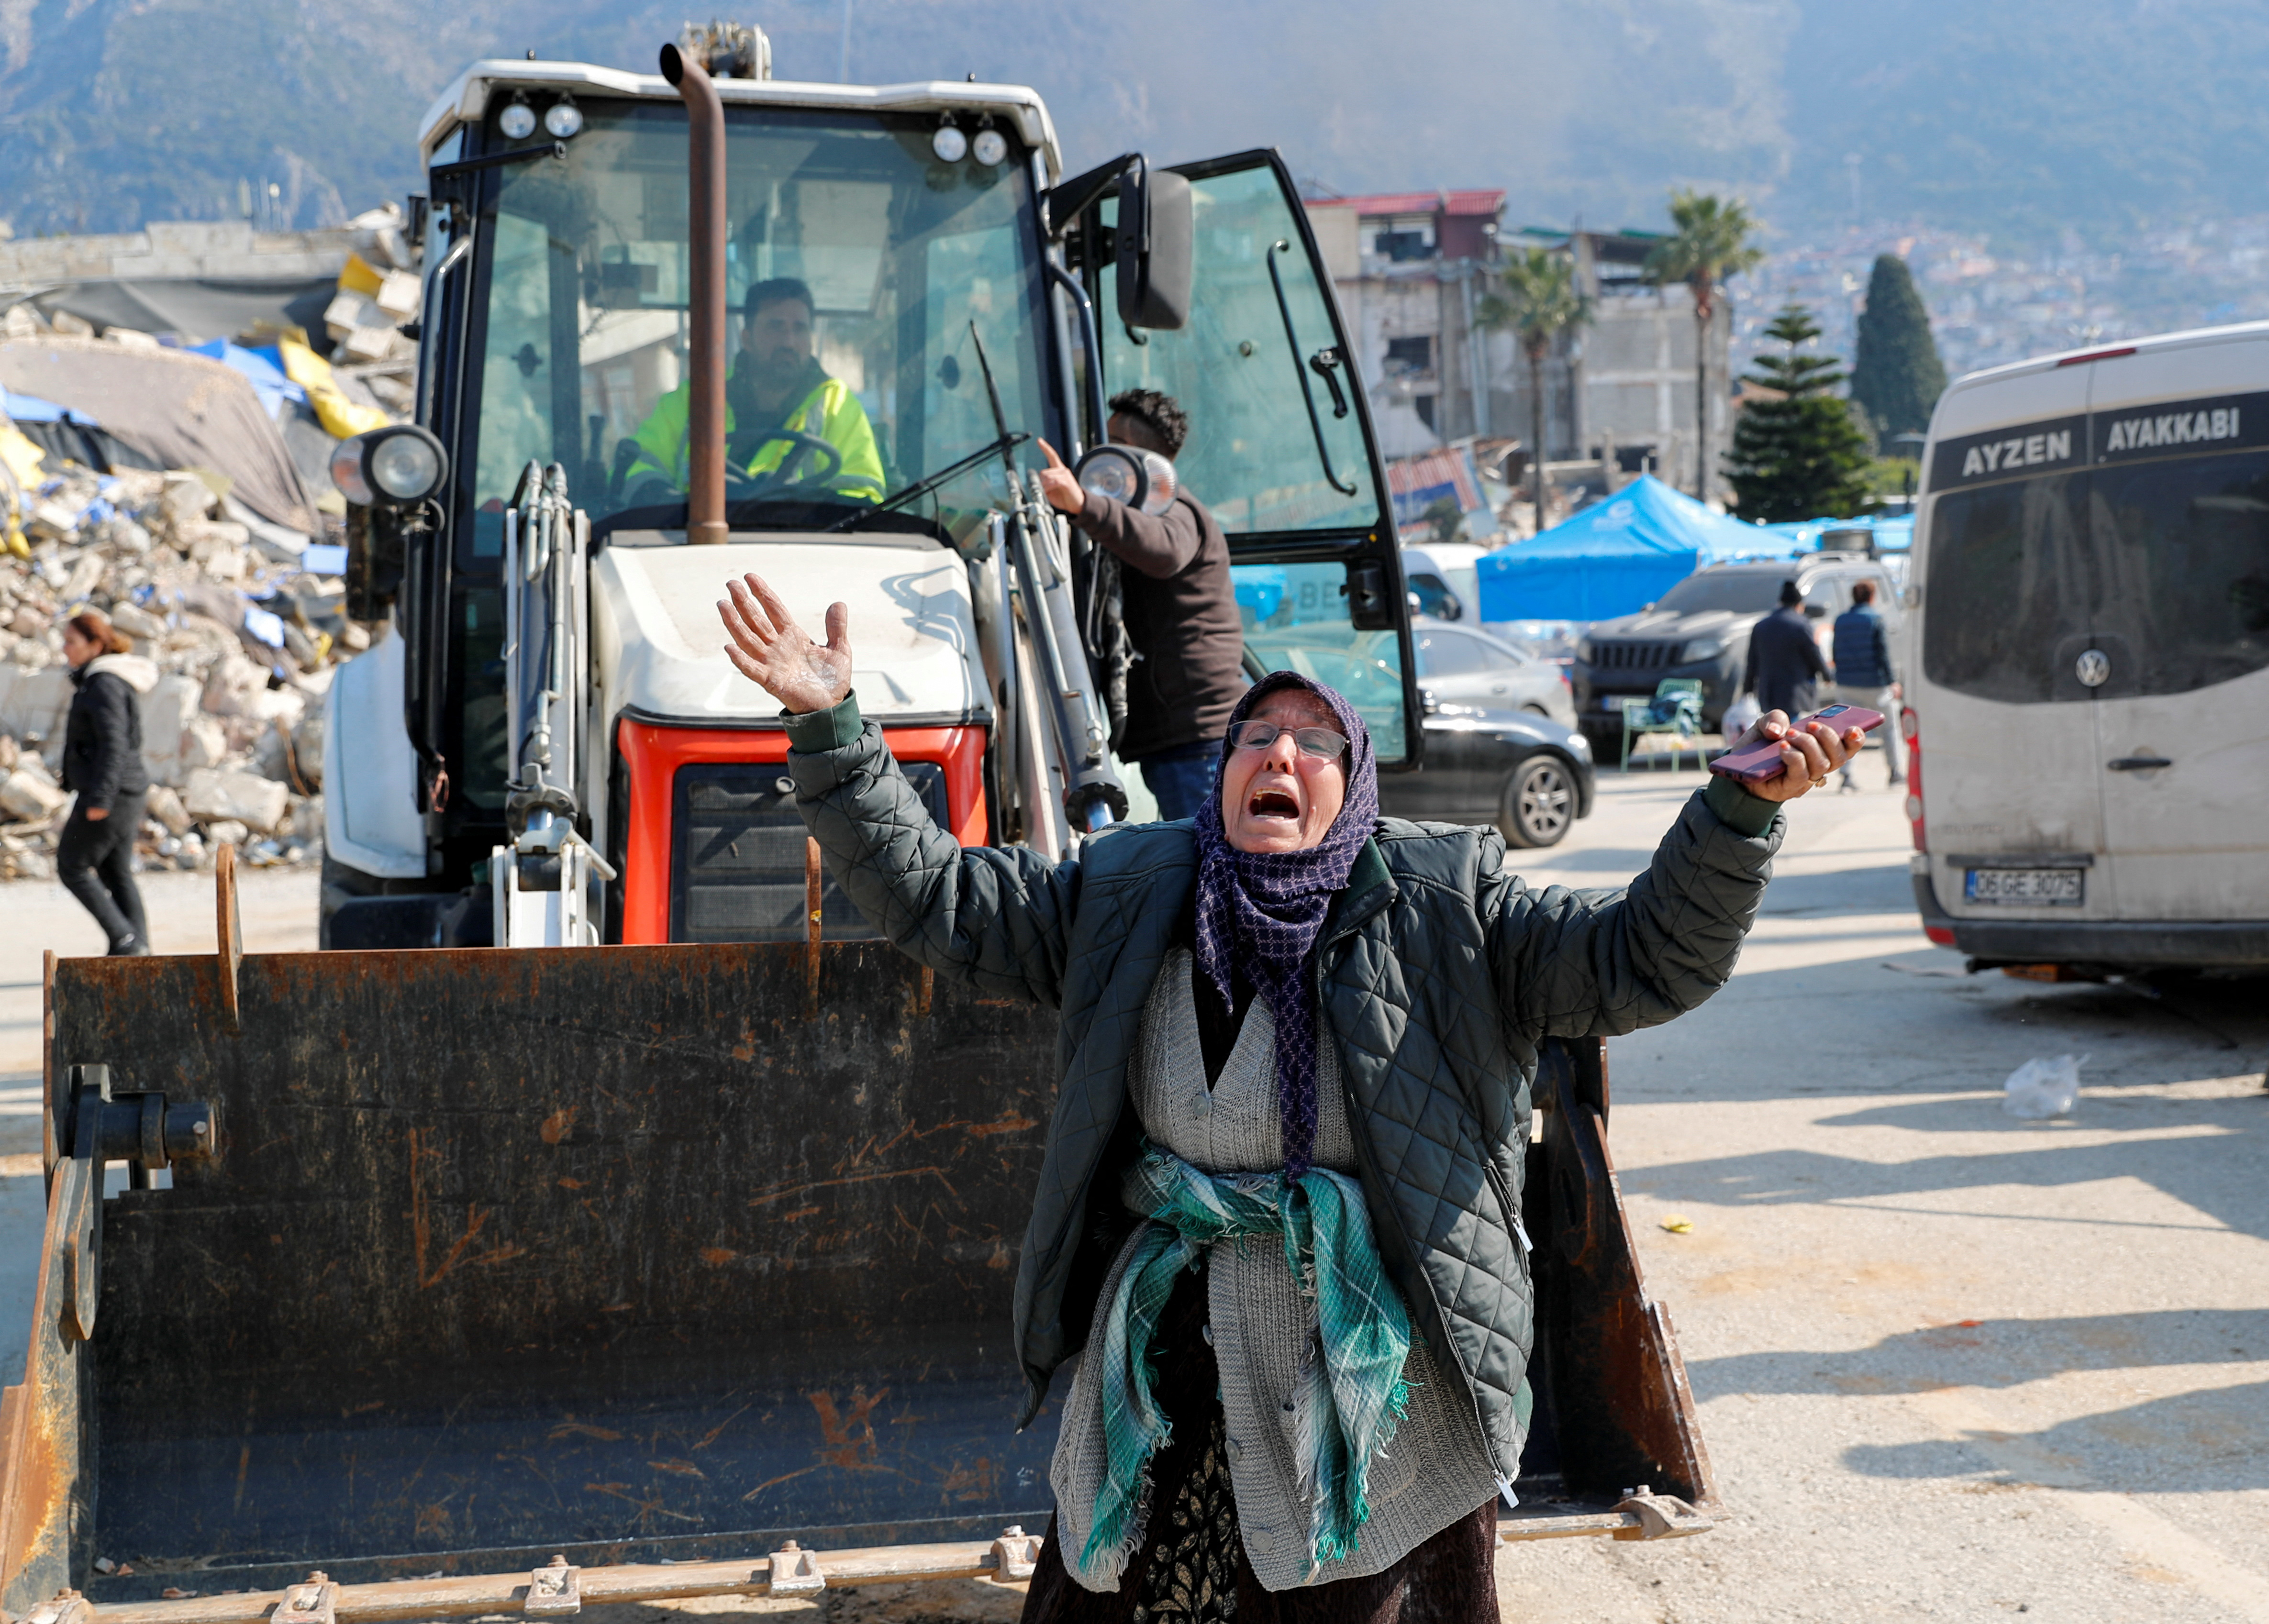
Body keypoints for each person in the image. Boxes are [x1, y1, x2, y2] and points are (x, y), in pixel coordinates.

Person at [715, 568, 1859, 1622]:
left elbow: (1639, 959)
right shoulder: (1131, 892)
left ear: (1352, 785)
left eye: (1315, 744)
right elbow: (941, 903)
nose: (1280, 755)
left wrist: (1732, 822)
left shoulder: (1446, 902)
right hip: (1166, 1358)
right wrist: (832, 730)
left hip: (1378, 1384)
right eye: (1255, 737)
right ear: (1220, 779)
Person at [1035, 390, 1245, 821]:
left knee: (1209, 866)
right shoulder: (1146, 515)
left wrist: (1083, 505)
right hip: (1180, 739)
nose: (1098, 453)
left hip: (1196, 739)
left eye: (1112, 441)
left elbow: (1164, 550)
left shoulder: (1179, 513)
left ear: (1140, 459)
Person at [628, 277, 886, 503]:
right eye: (776, 327)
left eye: (800, 329)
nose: (789, 342)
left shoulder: (836, 405)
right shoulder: (695, 399)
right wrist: (659, 496)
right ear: (747, 339)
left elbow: (863, 493)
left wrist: (807, 506)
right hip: (696, 546)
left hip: (806, 550)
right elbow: (638, 465)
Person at [57, 608, 158, 956]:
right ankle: (137, 951)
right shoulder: (102, 679)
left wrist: (100, 798)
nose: (65, 648)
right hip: (124, 790)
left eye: (72, 641)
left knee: (72, 864)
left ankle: (126, 941)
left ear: (95, 644)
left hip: (112, 793)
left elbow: (114, 744)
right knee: (115, 871)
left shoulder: (105, 683)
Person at [1828, 578, 1903, 792]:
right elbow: (1883, 655)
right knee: (1889, 729)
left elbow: (1835, 651)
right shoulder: (1876, 620)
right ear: (1872, 597)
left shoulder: (1841, 620)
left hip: (1847, 684)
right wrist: (1892, 682)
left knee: (1846, 731)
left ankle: (1846, 777)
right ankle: (1895, 772)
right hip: (1875, 685)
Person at [1742, 578, 1827, 723]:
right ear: (1799, 605)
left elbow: (1752, 662)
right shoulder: (1801, 625)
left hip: (1769, 692)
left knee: (1773, 728)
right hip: (1795, 692)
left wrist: (1747, 689)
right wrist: (1827, 675)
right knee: (1793, 731)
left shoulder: (1761, 626)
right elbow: (1814, 655)